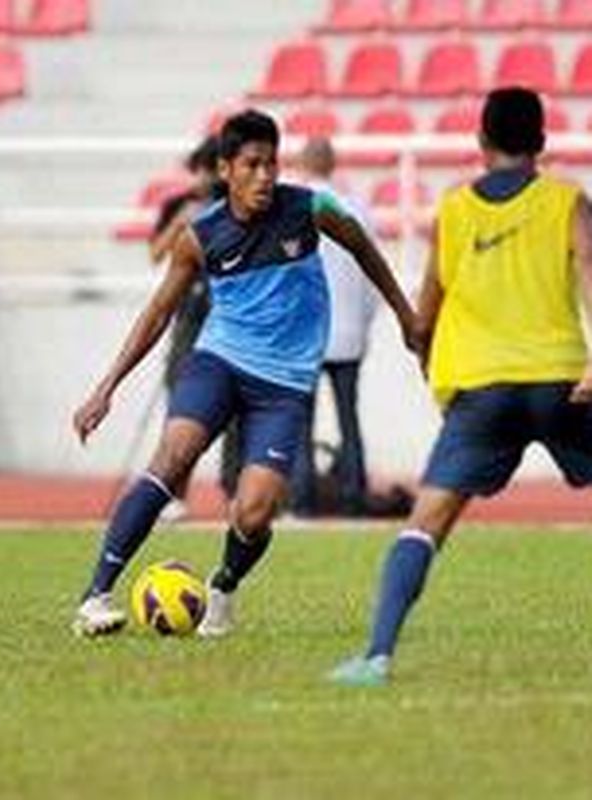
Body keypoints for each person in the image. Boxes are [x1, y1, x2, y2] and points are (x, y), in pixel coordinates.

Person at [71, 109, 422, 638]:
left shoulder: (310, 209)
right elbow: (157, 313)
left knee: (255, 512)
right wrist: (106, 388)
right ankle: (95, 597)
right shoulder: (199, 236)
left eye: (272, 164)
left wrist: (405, 314)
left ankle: (224, 586)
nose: (265, 176)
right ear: (226, 168)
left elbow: (363, 247)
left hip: (283, 385)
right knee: (173, 456)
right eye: (252, 164)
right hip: (220, 363)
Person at [330, 87, 592, 687]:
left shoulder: (453, 211)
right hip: (560, 383)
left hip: (480, 392)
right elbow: (590, 276)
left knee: (425, 524)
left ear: (480, 143)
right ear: (542, 144)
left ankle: (375, 657)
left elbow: (426, 311)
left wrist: (424, 353)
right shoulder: (568, 202)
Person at [288, 137, 379, 517]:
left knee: (300, 422)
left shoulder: (289, 207)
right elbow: (373, 276)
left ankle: (303, 500)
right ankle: (354, 497)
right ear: (333, 163)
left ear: (302, 163)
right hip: (348, 334)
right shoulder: (357, 208)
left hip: (303, 337)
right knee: (349, 417)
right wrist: (363, 324)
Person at [149, 136, 219, 520]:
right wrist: (181, 223)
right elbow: (155, 253)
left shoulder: (231, 206)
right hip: (187, 314)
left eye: (212, 170)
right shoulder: (178, 205)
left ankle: (234, 487)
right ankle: (174, 493)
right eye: (201, 169)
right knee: (180, 403)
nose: (205, 178)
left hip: (223, 312)